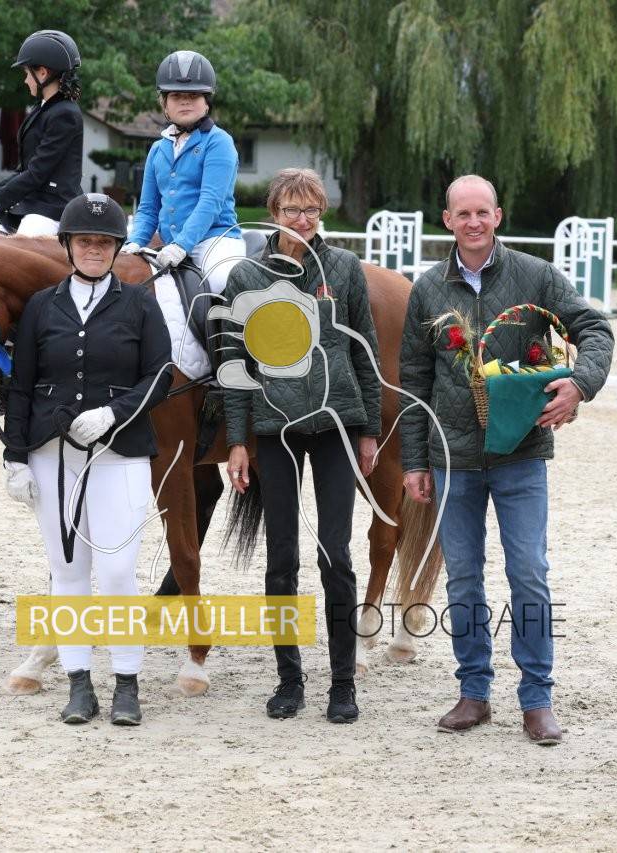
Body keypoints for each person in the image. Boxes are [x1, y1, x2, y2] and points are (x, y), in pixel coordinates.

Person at [398, 175, 614, 741]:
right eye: (463, 213)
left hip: (521, 453)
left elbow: (594, 328)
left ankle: (537, 698)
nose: (473, 222)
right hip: (452, 458)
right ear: (447, 220)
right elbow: (414, 381)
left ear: (498, 215)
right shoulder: (427, 288)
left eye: (483, 212)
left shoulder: (537, 275)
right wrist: (414, 461)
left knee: (529, 574)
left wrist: (580, 385)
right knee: (463, 579)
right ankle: (474, 692)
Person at [2, 192, 172, 726]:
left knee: (118, 572)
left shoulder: (139, 303)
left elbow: (160, 375)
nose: (94, 249)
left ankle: (126, 683)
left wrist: (113, 413)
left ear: (116, 248)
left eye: (103, 242)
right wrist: (14, 456)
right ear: (69, 246)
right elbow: (21, 385)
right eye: (84, 241)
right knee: (68, 571)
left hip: (119, 453)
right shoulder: (40, 306)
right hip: (52, 455)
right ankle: (79, 683)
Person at [224, 168, 382, 723]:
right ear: (273, 213)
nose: (302, 219)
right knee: (282, 558)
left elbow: (364, 348)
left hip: (337, 424)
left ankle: (343, 682)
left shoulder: (344, 268)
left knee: (336, 554)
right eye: (292, 209)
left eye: (311, 209)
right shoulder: (246, 275)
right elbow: (235, 365)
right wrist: (237, 441)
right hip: (276, 429)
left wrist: (369, 428)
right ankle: (289, 678)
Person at [121, 50, 244, 293]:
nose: (185, 101)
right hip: (168, 244)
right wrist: (135, 241)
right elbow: (148, 208)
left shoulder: (219, 142)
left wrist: (182, 245)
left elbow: (210, 201)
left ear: (206, 102)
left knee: (222, 280)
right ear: (164, 103)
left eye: (193, 95)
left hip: (214, 240)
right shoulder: (157, 149)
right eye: (176, 95)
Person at [0, 30, 83, 237]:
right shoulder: (42, 110)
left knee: (21, 242)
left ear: (42, 73)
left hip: (52, 209)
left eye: (27, 73)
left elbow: (36, 174)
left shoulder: (65, 114)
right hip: (31, 203)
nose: (26, 80)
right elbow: (23, 171)